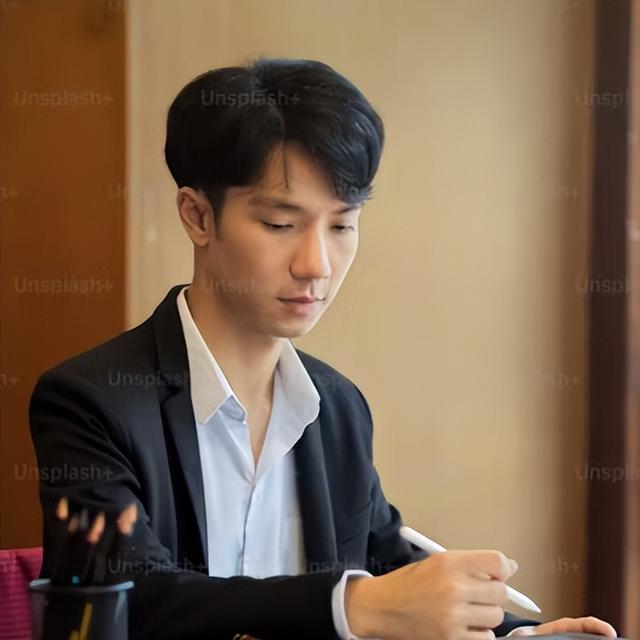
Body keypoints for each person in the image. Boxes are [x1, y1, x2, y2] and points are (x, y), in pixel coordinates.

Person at [29, 58, 618, 640]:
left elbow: (386, 566)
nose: (316, 265)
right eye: (280, 224)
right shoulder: (92, 401)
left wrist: (516, 635)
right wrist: (353, 605)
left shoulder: (335, 406)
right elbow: (130, 599)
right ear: (198, 216)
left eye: (341, 226)